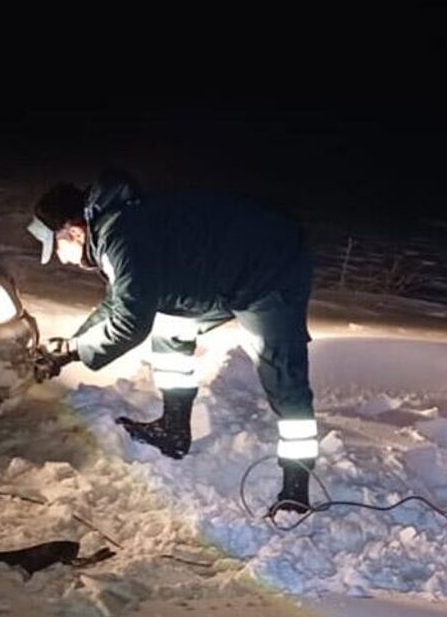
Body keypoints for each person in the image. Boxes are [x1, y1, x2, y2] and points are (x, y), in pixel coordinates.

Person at [29, 169, 321, 516]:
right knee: (170, 332)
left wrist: (75, 352)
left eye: (57, 247)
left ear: (75, 231)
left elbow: (129, 322)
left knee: (283, 377)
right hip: (213, 281)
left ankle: (296, 486)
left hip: (270, 270)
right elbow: (118, 301)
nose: (61, 258)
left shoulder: (120, 236)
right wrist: (72, 343)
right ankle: (174, 429)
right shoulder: (115, 227)